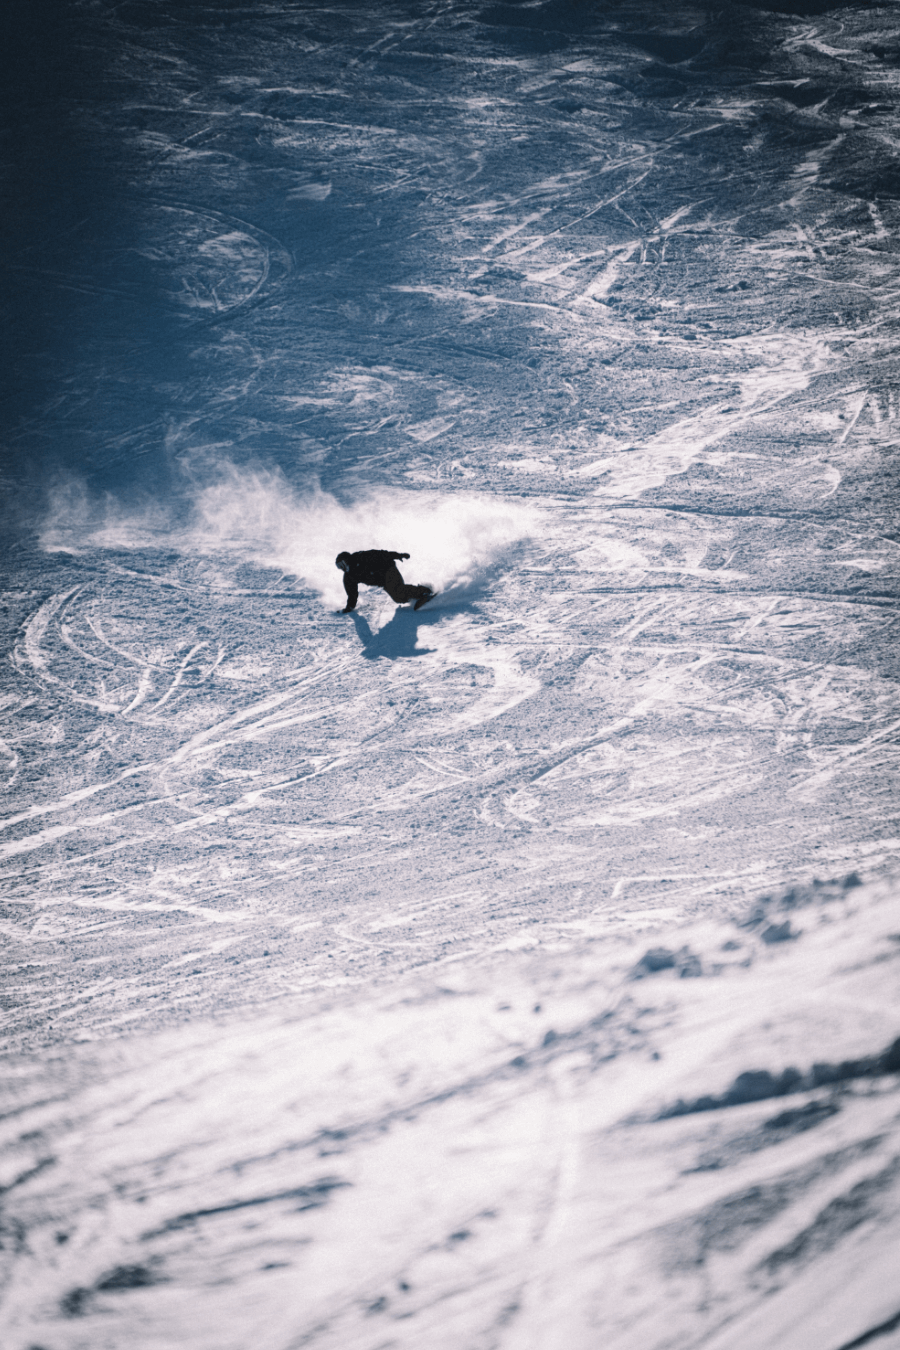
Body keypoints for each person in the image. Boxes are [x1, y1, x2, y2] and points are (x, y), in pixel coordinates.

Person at [335, 549, 434, 613]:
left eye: (342, 564)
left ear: (347, 560)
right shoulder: (349, 577)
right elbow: (352, 593)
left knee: (397, 590)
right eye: (339, 567)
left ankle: (424, 591)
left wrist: (398, 555)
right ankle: (418, 597)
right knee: (398, 598)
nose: (342, 568)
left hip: (388, 570)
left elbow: (381, 554)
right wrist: (350, 607)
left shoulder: (361, 557)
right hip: (382, 582)